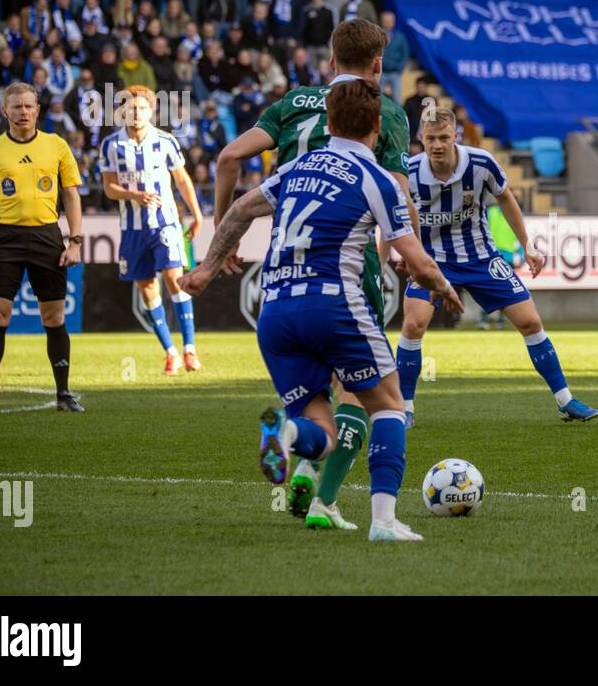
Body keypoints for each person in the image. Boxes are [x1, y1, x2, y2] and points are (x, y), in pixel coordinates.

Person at [179, 78, 462, 541]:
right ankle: (384, 523)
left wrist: (207, 270)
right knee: (389, 405)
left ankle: (288, 439)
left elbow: (240, 212)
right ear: (377, 127)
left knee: (321, 430)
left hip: (274, 311)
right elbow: (415, 258)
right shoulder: (379, 180)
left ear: (328, 123)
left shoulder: (298, 165)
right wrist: (444, 288)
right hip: (332, 304)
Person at [213, 18, 417, 524]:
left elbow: (229, 157)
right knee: (364, 389)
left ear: (329, 60)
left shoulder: (292, 103)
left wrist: (222, 237)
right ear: (377, 66)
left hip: (286, 263)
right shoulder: (384, 111)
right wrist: (403, 254)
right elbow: (396, 188)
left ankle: (301, 463)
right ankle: (325, 500)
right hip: (349, 261)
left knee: (311, 387)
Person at [398, 107, 598, 424]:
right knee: (413, 324)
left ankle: (565, 400)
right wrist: (402, 256)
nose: (437, 145)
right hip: (432, 259)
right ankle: (405, 409)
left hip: (481, 256)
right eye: (431, 138)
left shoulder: (480, 163)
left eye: (444, 138)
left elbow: (506, 198)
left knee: (530, 321)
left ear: (456, 137)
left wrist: (527, 244)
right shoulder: (408, 173)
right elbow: (393, 218)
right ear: (420, 138)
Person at [0, 82, 85, 414]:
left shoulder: (56, 145)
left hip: (47, 237)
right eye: (16, 107)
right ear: (5, 110)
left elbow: (72, 195)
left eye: (28, 106)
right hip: (5, 239)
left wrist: (74, 241)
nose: (23, 112)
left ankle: (63, 395)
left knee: (53, 316)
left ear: (38, 110)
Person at [100, 86, 204, 376]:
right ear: (122, 112)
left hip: (166, 222)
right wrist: (133, 195)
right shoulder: (111, 145)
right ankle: (171, 352)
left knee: (175, 279)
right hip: (132, 228)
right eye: (130, 109)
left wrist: (196, 215)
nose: (136, 113)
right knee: (147, 287)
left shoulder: (165, 141)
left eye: (141, 108)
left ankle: (190, 348)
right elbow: (109, 188)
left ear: (151, 111)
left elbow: (182, 180)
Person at [379, 10, 407, 101]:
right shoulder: (377, 36)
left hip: (395, 73)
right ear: (382, 21)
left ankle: (397, 115)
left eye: (389, 21)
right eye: (385, 20)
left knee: (397, 98)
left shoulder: (400, 37)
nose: (387, 23)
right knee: (379, 98)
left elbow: (405, 54)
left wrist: (399, 68)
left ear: (393, 22)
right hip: (381, 73)